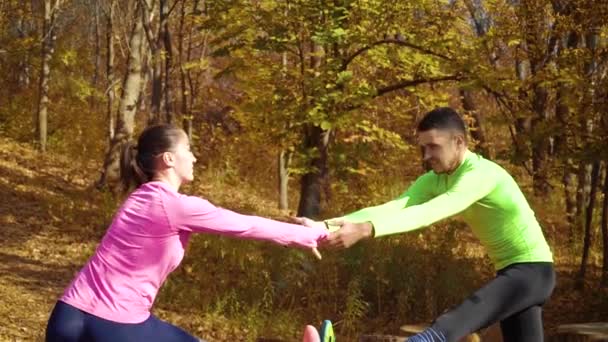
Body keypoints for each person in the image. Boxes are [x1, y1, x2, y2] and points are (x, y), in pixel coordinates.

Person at [46, 124, 328, 342]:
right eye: (189, 149)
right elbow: (244, 224)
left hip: (67, 315)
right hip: (113, 323)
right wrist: (309, 234)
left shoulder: (138, 198)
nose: (194, 156)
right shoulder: (175, 206)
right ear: (169, 158)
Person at [297, 107, 555, 342]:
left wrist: (366, 229)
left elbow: (431, 211)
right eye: (423, 148)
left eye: (433, 146)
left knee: (447, 327)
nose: (426, 155)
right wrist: (324, 226)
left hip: (532, 273)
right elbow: (395, 207)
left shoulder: (481, 175)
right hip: (513, 274)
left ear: (459, 142)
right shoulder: (434, 179)